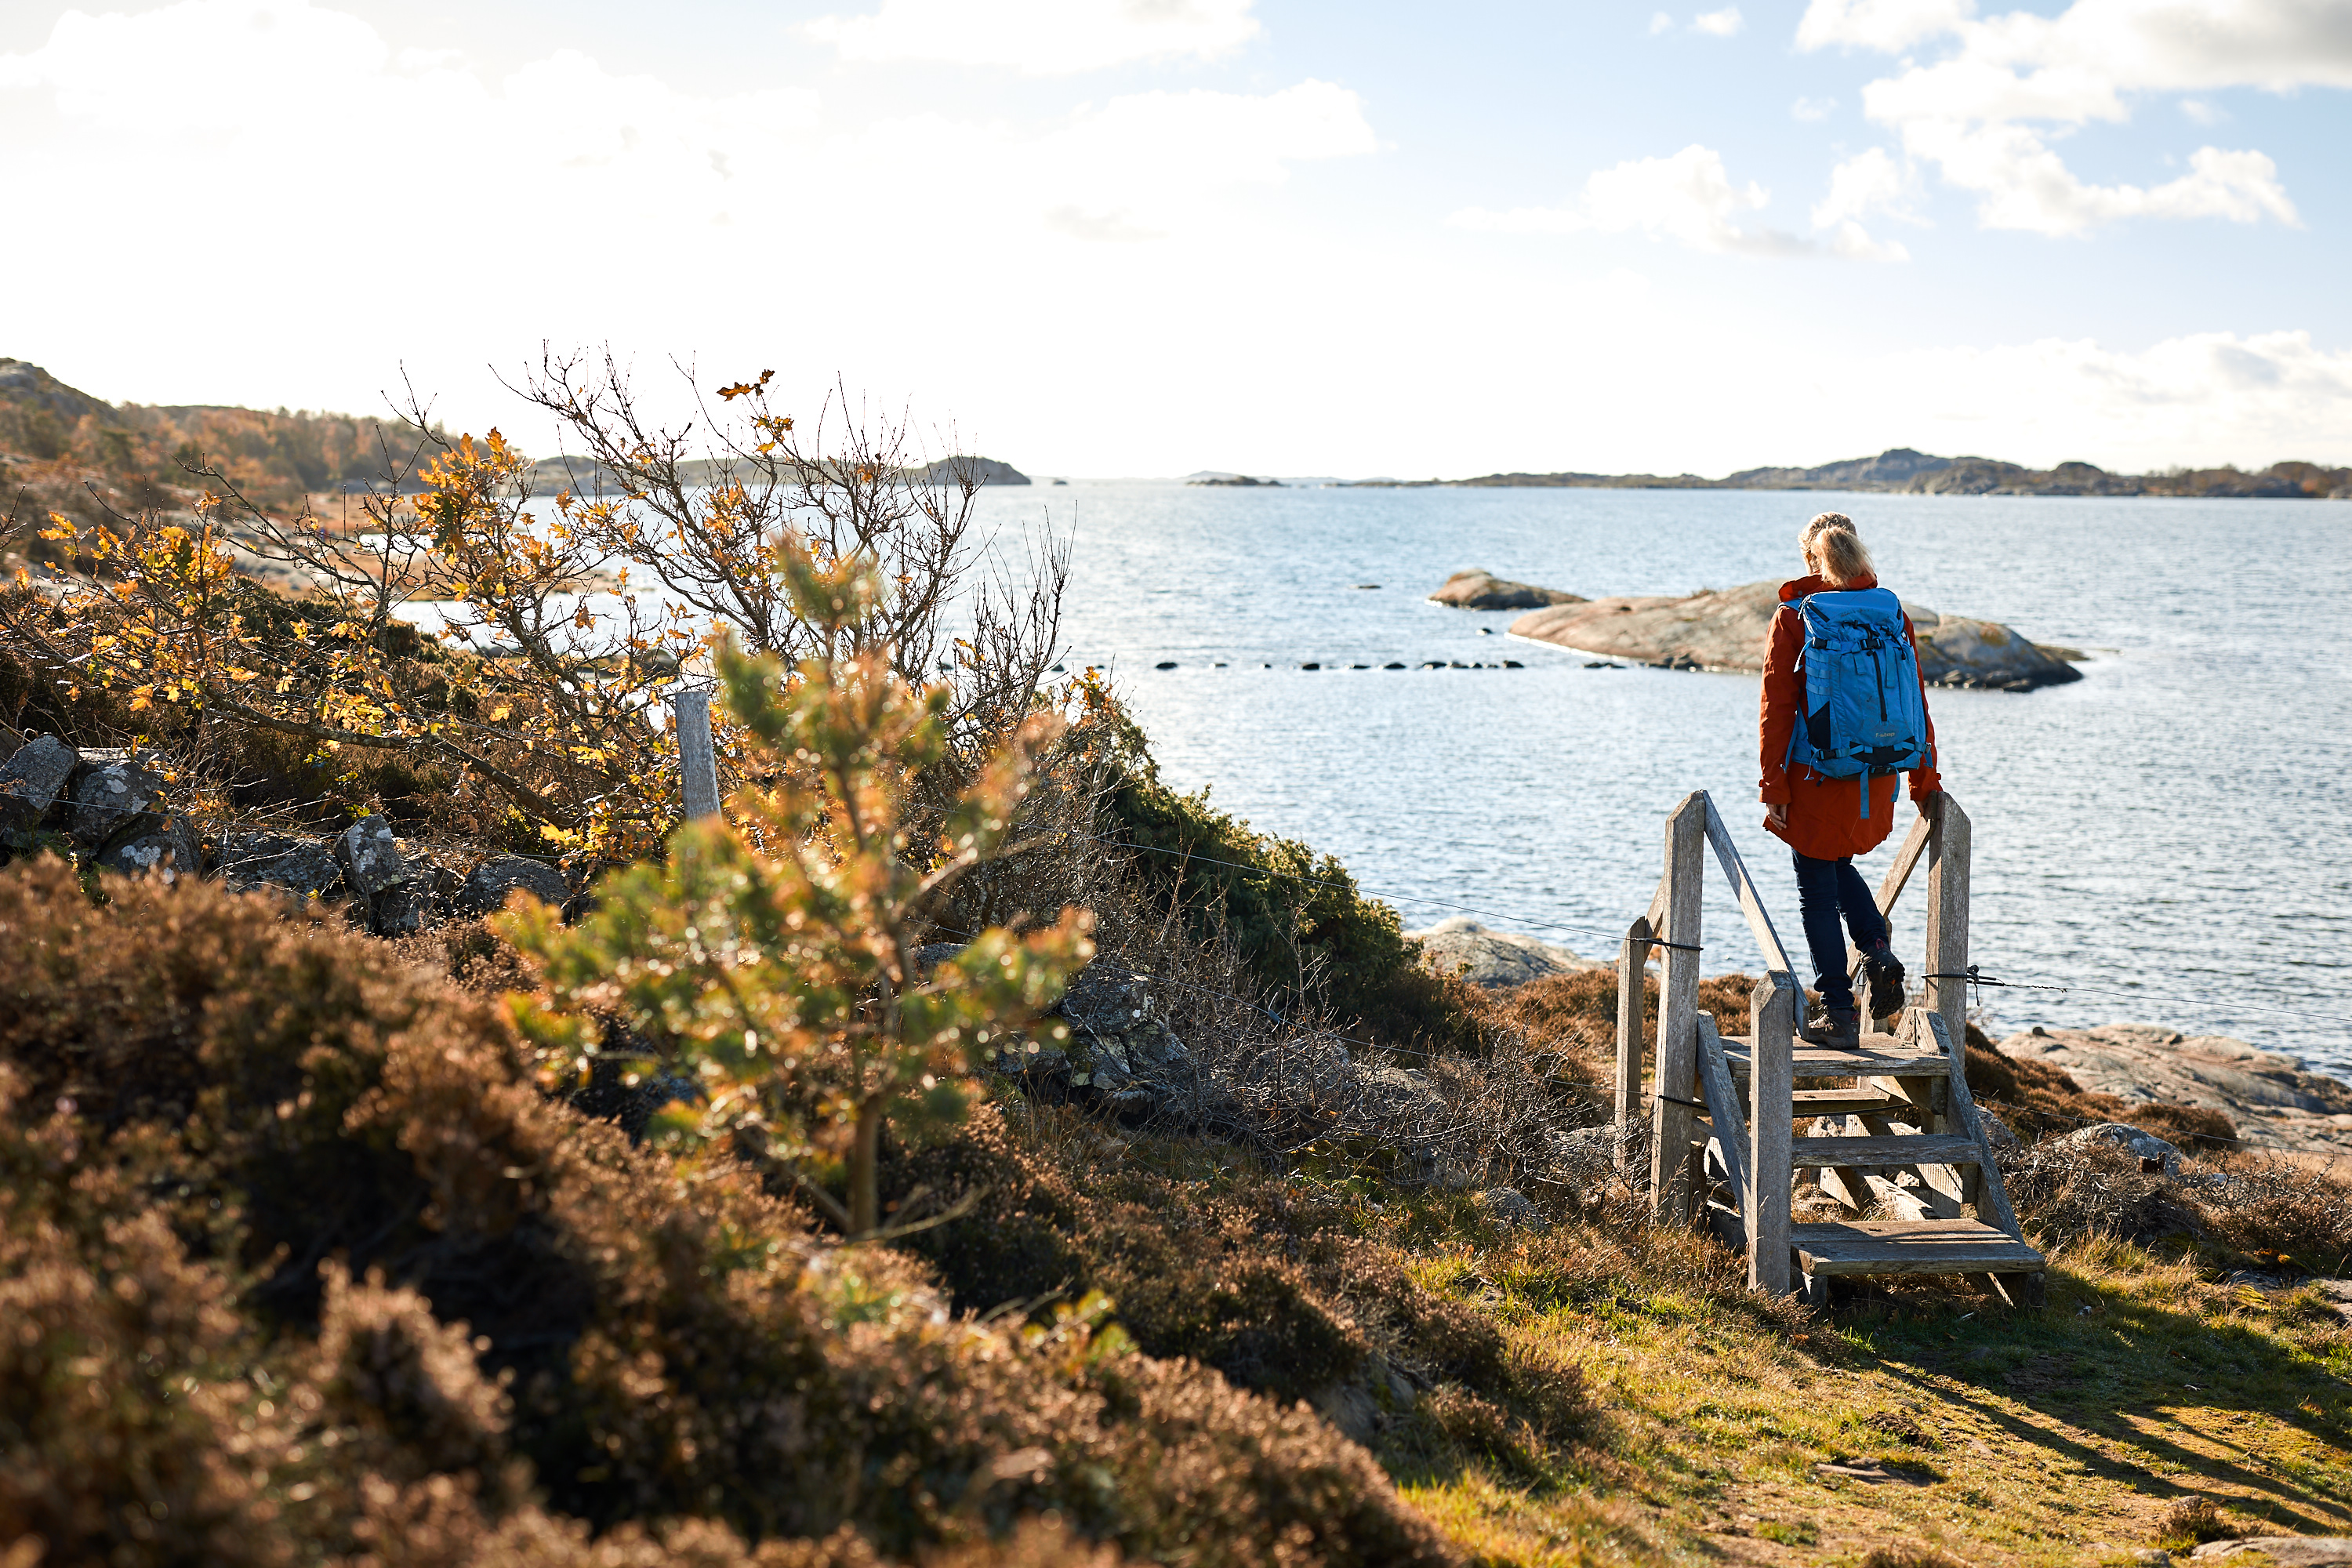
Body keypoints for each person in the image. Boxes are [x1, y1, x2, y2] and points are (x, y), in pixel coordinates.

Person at [1758, 513, 1942, 1047]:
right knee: (1836, 866)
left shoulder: (1796, 613)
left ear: (1811, 559)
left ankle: (1838, 1014)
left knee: (1814, 891)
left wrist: (1774, 787)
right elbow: (1916, 698)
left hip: (1815, 775)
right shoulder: (1890, 613)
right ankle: (1878, 953)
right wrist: (1922, 778)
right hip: (1875, 775)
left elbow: (1778, 707)